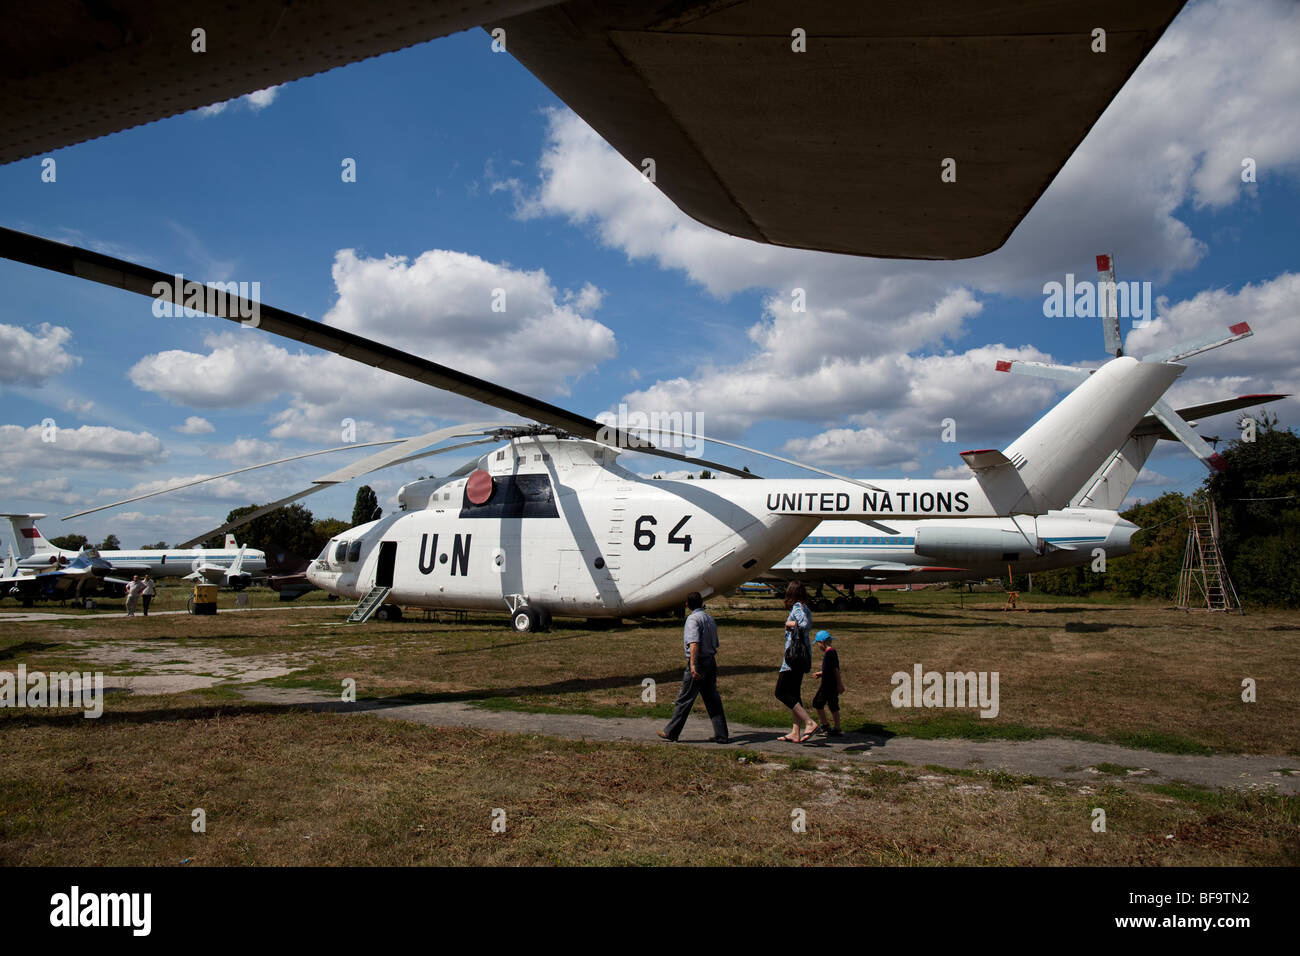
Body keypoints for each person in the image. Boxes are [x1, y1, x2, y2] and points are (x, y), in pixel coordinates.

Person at [658, 592, 729, 744]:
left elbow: (694, 643)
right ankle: (721, 734)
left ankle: (671, 732)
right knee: (712, 699)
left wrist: (692, 664)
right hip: (711, 660)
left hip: (699, 662)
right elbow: (715, 642)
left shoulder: (692, 619)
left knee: (685, 698)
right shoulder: (709, 618)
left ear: (687, 604)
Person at [775, 581, 818, 742]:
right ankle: (795, 731)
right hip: (802, 656)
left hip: (792, 659)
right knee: (794, 694)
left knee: (781, 692)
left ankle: (809, 722)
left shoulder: (798, 607)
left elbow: (804, 624)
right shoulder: (805, 607)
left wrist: (789, 624)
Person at [811, 630, 844, 736]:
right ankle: (837, 728)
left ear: (822, 642)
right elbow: (829, 669)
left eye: (818, 644)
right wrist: (821, 673)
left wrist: (840, 684)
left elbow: (835, 669)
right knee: (833, 704)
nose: (818, 646)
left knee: (817, 703)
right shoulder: (831, 652)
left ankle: (825, 726)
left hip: (828, 685)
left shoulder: (830, 653)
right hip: (831, 683)